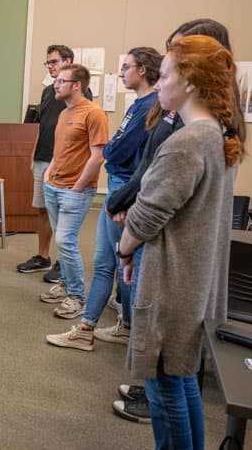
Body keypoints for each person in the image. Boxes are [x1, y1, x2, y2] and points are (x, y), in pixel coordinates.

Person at [117, 34, 245, 449]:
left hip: (172, 286)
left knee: (165, 390)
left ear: (189, 80)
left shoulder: (187, 142)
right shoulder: (214, 135)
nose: (158, 84)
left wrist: (125, 248)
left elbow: (148, 213)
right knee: (181, 379)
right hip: (191, 281)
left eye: (166, 75)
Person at [46, 47, 161, 347]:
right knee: (106, 262)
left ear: (143, 70)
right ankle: (98, 327)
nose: (121, 72)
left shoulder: (150, 106)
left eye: (126, 66)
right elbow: (116, 147)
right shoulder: (139, 105)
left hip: (124, 189)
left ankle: (111, 328)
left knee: (121, 262)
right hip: (118, 186)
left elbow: (113, 150)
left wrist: (108, 190)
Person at [38, 64, 108, 318]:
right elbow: (60, 150)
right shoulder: (63, 113)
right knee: (60, 239)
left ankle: (77, 296)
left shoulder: (94, 114)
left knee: (66, 241)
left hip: (75, 190)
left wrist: (78, 186)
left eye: (61, 81)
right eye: (56, 80)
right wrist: (49, 174)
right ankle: (66, 285)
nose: (55, 85)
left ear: (77, 85)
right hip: (54, 185)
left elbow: (98, 156)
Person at [18, 45, 92, 281]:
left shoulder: (81, 95)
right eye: (47, 63)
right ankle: (42, 257)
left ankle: (63, 262)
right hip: (43, 158)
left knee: (63, 215)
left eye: (53, 61)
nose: (50, 66)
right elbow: (43, 125)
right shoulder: (48, 92)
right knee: (41, 209)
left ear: (67, 61)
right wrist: (33, 154)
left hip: (65, 164)